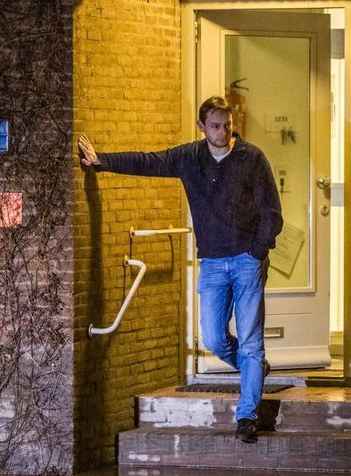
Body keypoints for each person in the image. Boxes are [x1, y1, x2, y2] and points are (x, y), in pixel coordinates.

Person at [79, 95, 283, 444]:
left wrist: (257, 249)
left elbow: (272, 211)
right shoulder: (190, 157)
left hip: (248, 260)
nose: (223, 132)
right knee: (215, 338)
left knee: (250, 340)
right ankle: (254, 372)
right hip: (214, 262)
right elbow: (150, 162)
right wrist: (101, 162)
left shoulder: (252, 159)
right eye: (215, 126)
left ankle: (246, 414)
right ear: (202, 127)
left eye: (227, 125)